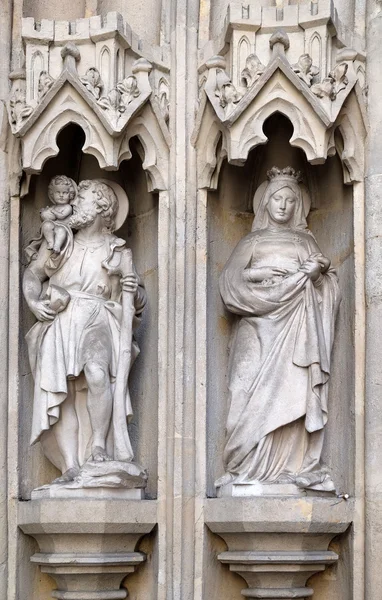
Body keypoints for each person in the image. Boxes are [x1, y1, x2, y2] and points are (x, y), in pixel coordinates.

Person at [215, 167, 341, 494]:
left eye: (290, 199)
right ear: (265, 203)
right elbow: (229, 283)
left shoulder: (305, 241)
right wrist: (258, 275)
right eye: (277, 199)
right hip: (256, 329)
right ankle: (245, 463)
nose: (283, 205)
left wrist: (316, 275)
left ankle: (290, 467)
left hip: (296, 328)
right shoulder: (252, 241)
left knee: (293, 391)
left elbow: (328, 288)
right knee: (243, 388)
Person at [23, 178, 146, 484]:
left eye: (85, 198)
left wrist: (133, 288)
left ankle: (99, 445)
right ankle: (70, 465)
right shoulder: (63, 242)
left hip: (98, 317)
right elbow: (33, 274)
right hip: (62, 321)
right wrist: (34, 301)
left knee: (96, 372)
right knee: (60, 393)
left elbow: (137, 299)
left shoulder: (117, 250)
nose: (76, 203)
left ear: (102, 207)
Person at [40, 175, 76, 254]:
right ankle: (51, 242)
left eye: (65, 193)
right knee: (46, 225)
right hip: (53, 226)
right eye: (58, 192)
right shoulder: (53, 207)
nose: (61, 195)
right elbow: (48, 218)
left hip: (64, 227)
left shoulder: (68, 207)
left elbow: (61, 216)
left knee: (60, 230)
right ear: (52, 194)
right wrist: (44, 213)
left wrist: (53, 211)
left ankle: (57, 245)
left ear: (70, 194)